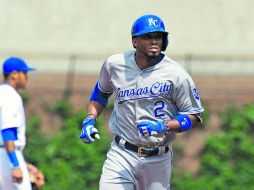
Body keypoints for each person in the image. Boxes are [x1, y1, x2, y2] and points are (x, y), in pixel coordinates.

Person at [80, 14, 204, 190]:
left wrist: (164, 126)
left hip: (158, 159)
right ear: (134, 41)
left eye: (158, 36)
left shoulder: (177, 74)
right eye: (147, 36)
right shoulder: (114, 65)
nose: (154, 41)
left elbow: (193, 116)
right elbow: (101, 93)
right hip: (121, 153)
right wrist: (89, 120)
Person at [0, 57, 45, 190]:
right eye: (24, 73)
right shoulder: (11, 96)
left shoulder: (2, 92)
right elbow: (8, 132)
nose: (26, 77)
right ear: (14, 74)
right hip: (7, 157)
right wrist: (15, 164)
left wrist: (23, 164)